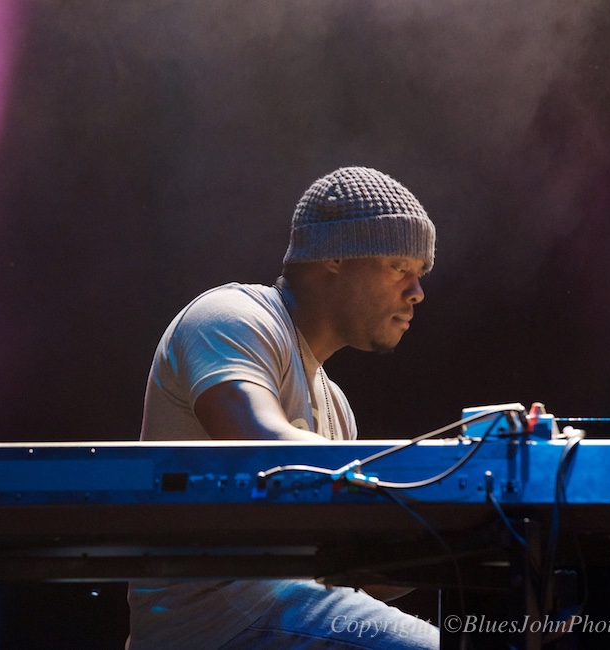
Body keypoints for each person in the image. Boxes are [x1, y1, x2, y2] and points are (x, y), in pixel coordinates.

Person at [127, 166, 441, 649]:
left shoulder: (336, 408)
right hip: (217, 624)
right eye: (400, 266)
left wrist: (461, 547)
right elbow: (262, 447)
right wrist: (436, 481)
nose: (417, 291)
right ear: (335, 256)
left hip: (278, 610)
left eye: (420, 275)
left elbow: (347, 572)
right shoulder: (230, 318)